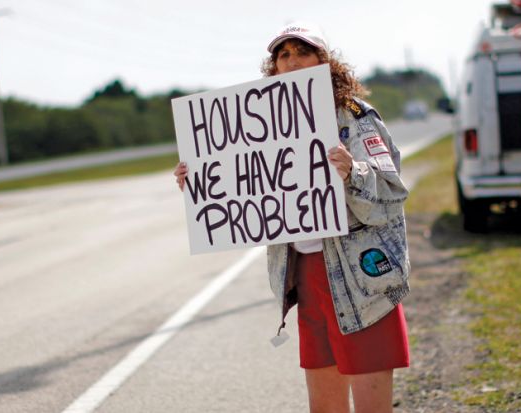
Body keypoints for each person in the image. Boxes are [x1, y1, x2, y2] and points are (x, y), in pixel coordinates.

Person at [174, 21, 410, 413]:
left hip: (362, 279)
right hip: (306, 277)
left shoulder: (353, 115)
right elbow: (248, 185)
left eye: (302, 51)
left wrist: (354, 171)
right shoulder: (260, 127)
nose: (293, 61)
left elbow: (392, 191)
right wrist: (201, 182)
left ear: (323, 61)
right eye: (283, 55)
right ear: (274, 68)